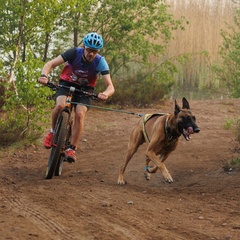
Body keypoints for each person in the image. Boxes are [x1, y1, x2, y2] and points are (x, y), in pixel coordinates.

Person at [38, 32, 115, 163]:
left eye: (95, 51)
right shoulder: (73, 53)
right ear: (84, 47)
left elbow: (110, 86)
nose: (91, 54)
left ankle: (72, 148)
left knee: (80, 113)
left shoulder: (100, 61)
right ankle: (52, 132)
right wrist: (44, 76)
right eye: (89, 50)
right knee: (60, 105)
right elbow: (50, 64)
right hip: (66, 83)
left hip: (86, 89)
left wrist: (105, 93)